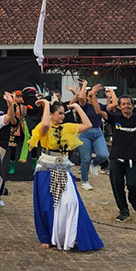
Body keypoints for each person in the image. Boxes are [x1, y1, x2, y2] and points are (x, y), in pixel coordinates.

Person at [29, 99, 103, 251]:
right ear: (51, 115)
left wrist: (76, 107)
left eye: (64, 113)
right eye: (60, 113)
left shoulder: (67, 127)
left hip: (63, 167)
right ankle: (47, 237)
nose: (63, 116)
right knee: (46, 205)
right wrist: (47, 106)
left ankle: (70, 235)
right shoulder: (43, 127)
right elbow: (44, 125)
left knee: (71, 202)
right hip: (46, 168)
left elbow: (88, 125)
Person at [99, 87, 136, 221]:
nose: (126, 106)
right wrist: (92, 95)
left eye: (129, 104)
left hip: (133, 158)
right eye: (123, 104)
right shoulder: (115, 118)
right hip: (116, 158)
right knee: (117, 186)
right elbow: (99, 112)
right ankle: (124, 211)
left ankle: (133, 198)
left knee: (134, 184)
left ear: (133, 105)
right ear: (119, 106)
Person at [77, 83, 110, 191]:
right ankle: (85, 181)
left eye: (94, 95)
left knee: (104, 154)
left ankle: (94, 163)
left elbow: (111, 106)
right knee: (85, 158)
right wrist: (85, 85)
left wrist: (110, 95)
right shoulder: (85, 105)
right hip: (84, 133)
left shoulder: (98, 105)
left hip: (97, 131)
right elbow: (81, 97)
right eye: (90, 95)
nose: (92, 97)